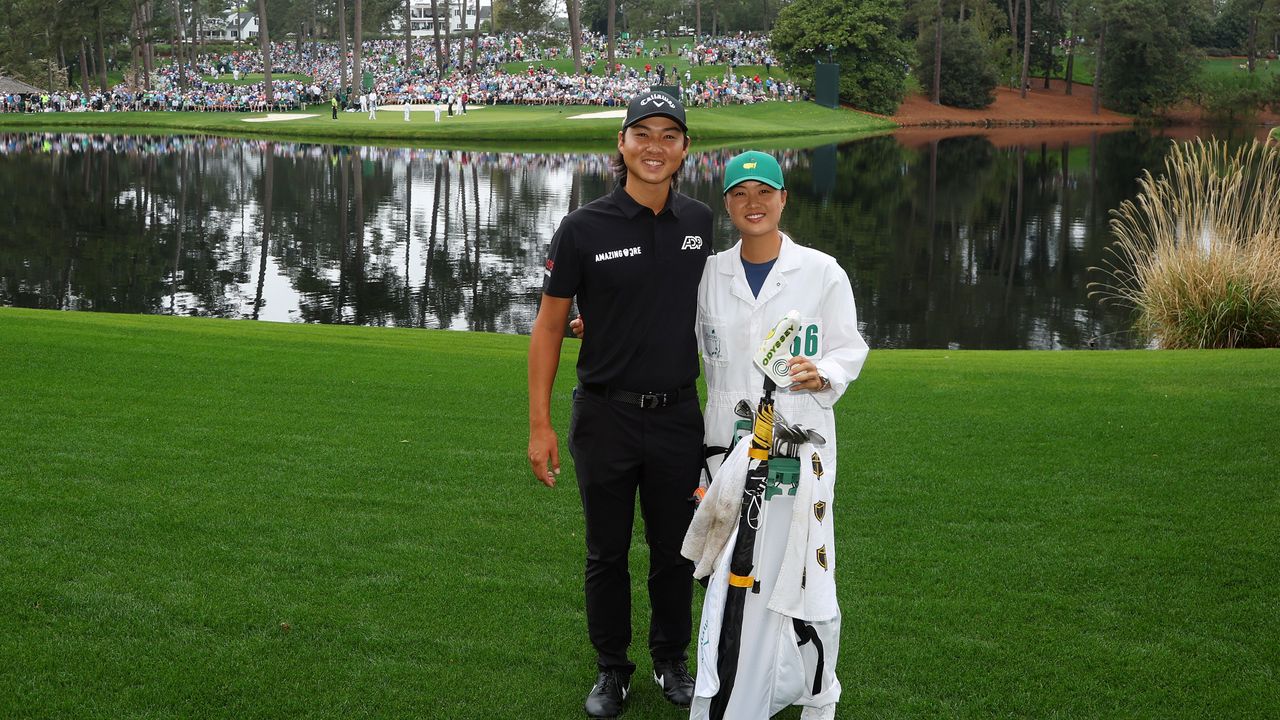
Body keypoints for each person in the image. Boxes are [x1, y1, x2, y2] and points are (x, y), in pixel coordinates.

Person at [527, 89, 712, 720]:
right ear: (621, 143)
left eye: (669, 135)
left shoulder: (700, 222)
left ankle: (671, 659)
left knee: (674, 549)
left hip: (678, 416)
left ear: (686, 148)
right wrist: (540, 424)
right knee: (606, 551)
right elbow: (550, 325)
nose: (654, 147)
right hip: (604, 415)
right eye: (643, 134)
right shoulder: (583, 227)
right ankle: (612, 669)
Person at [687, 151, 868, 720]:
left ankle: (818, 693)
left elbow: (848, 347)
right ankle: (734, 690)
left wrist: (828, 373)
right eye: (740, 194)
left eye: (765, 192)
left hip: (801, 443)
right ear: (727, 205)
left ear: (784, 198)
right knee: (732, 574)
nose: (753, 203)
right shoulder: (710, 274)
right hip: (729, 447)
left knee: (803, 569)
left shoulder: (821, 271)